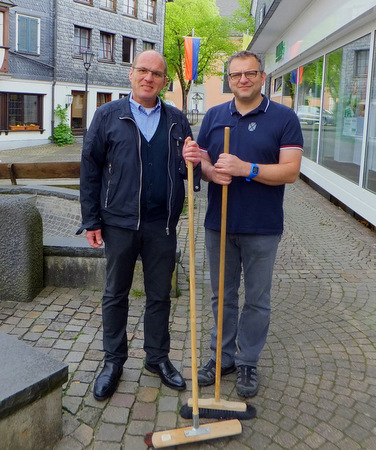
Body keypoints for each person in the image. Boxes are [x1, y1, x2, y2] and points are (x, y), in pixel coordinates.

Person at [77, 50, 201, 401]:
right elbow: (90, 170)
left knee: (159, 295)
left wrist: (191, 164)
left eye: (157, 74)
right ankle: (114, 361)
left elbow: (188, 171)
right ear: (131, 75)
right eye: (142, 71)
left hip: (161, 225)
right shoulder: (107, 116)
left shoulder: (177, 120)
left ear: (164, 81)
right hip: (118, 223)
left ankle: (157, 359)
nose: (149, 78)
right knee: (115, 294)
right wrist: (91, 220)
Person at [196, 50, 303, 398]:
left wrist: (248, 169)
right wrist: (209, 169)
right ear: (229, 79)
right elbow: (205, 162)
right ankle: (222, 357)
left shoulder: (284, 118)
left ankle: (247, 361)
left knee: (257, 299)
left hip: (262, 226)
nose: (243, 79)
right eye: (235, 74)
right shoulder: (214, 116)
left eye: (250, 73)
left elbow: (290, 171)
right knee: (221, 296)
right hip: (220, 224)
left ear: (262, 76)